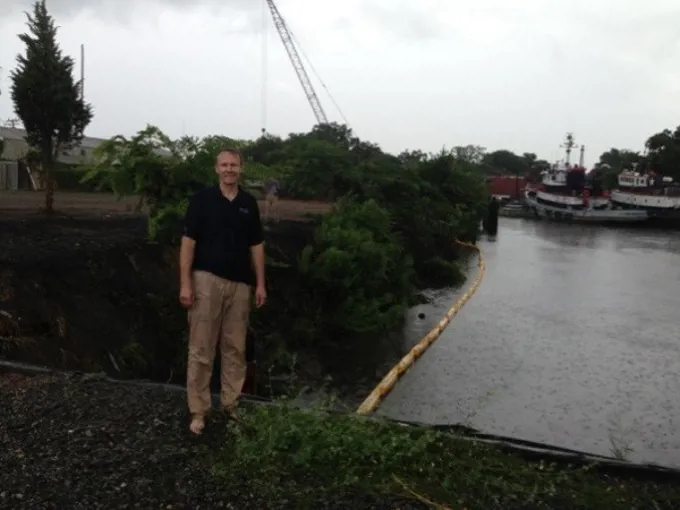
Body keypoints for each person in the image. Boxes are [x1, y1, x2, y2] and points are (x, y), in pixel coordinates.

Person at [179, 148, 267, 435]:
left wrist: (261, 283)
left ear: (241, 169)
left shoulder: (248, 203)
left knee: (235, 349)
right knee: (202, 347)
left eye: (234, 164)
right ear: (216, 169)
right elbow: (188, 243)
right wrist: (185, 283)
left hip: (240, 284)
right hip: (206, 279)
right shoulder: (202, 201)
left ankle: (230, 405)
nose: (229, 169)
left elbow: (256, 245)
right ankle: (198, 411)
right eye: (224, 164)